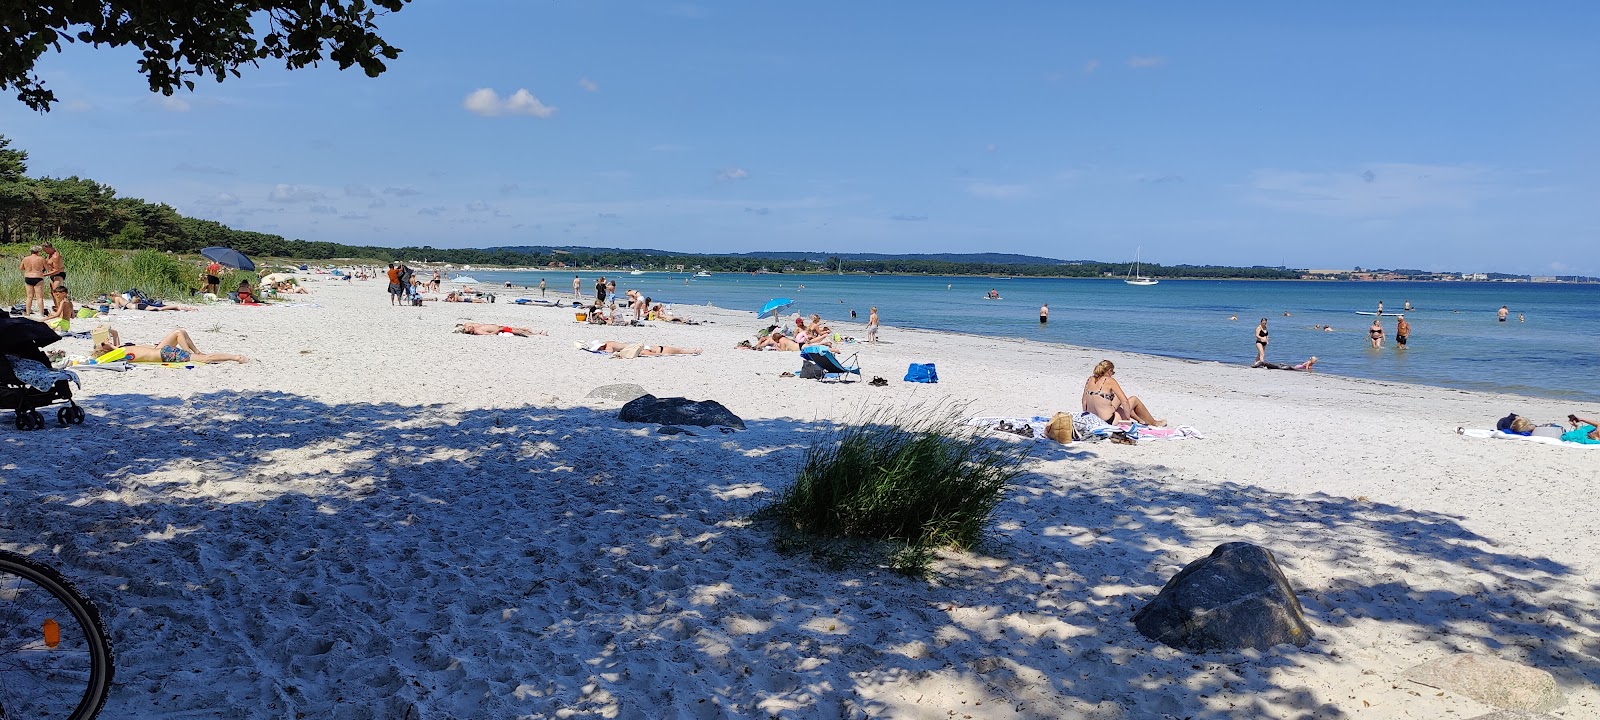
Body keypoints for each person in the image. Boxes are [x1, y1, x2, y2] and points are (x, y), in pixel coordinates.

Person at [1081, 360, 1165, 426]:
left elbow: (1084, 402)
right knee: (1134, 399)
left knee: (1117, 398)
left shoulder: (1090, 379)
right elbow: (1125, 401)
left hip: (1093, 418)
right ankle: (1154, 423)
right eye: (1112, 373)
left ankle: (1140, 420)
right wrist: (1126, 419)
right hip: (1108, 421)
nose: (1112, 375)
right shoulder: (1109, 380)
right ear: (1109, 371)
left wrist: (1086, 415)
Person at [96, 328, 248, 364]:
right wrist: (107, 346)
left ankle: (236, 357)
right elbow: (114, 351)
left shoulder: (121, 351)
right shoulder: (121, 353)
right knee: (205, 359)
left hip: (164, 352)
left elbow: (115, 345)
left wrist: (112, 333)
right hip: (164, 353)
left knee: (203, 358)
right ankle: (236, 357)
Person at [19, 245, 48, 316]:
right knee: (39, 297)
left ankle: (28, 313)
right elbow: (47, 268)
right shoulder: (41, 259)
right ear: (38, 251)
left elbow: (21, 268)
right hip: (38, 277)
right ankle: (41, 313)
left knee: (29, 297)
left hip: (28, 277)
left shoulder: (25, 259)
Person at [586, 340, 702, 356]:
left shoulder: (609, 346)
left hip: (640, 349)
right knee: (677, 351)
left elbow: (609, 352)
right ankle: (692, 351)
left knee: (662, 353)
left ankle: (692, 351)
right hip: (643, 346)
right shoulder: (610, 342)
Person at [453, 322, 546, 337]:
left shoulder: (472, 326)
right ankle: (537, 334)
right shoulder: (478, 331)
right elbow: (490, 334)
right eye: (469, 328)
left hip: (498, 327)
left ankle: (529, 330)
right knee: (517, 332)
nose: (470, 326)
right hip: (500, 330)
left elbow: (465, 325)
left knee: (515, 328)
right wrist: (498, 330)